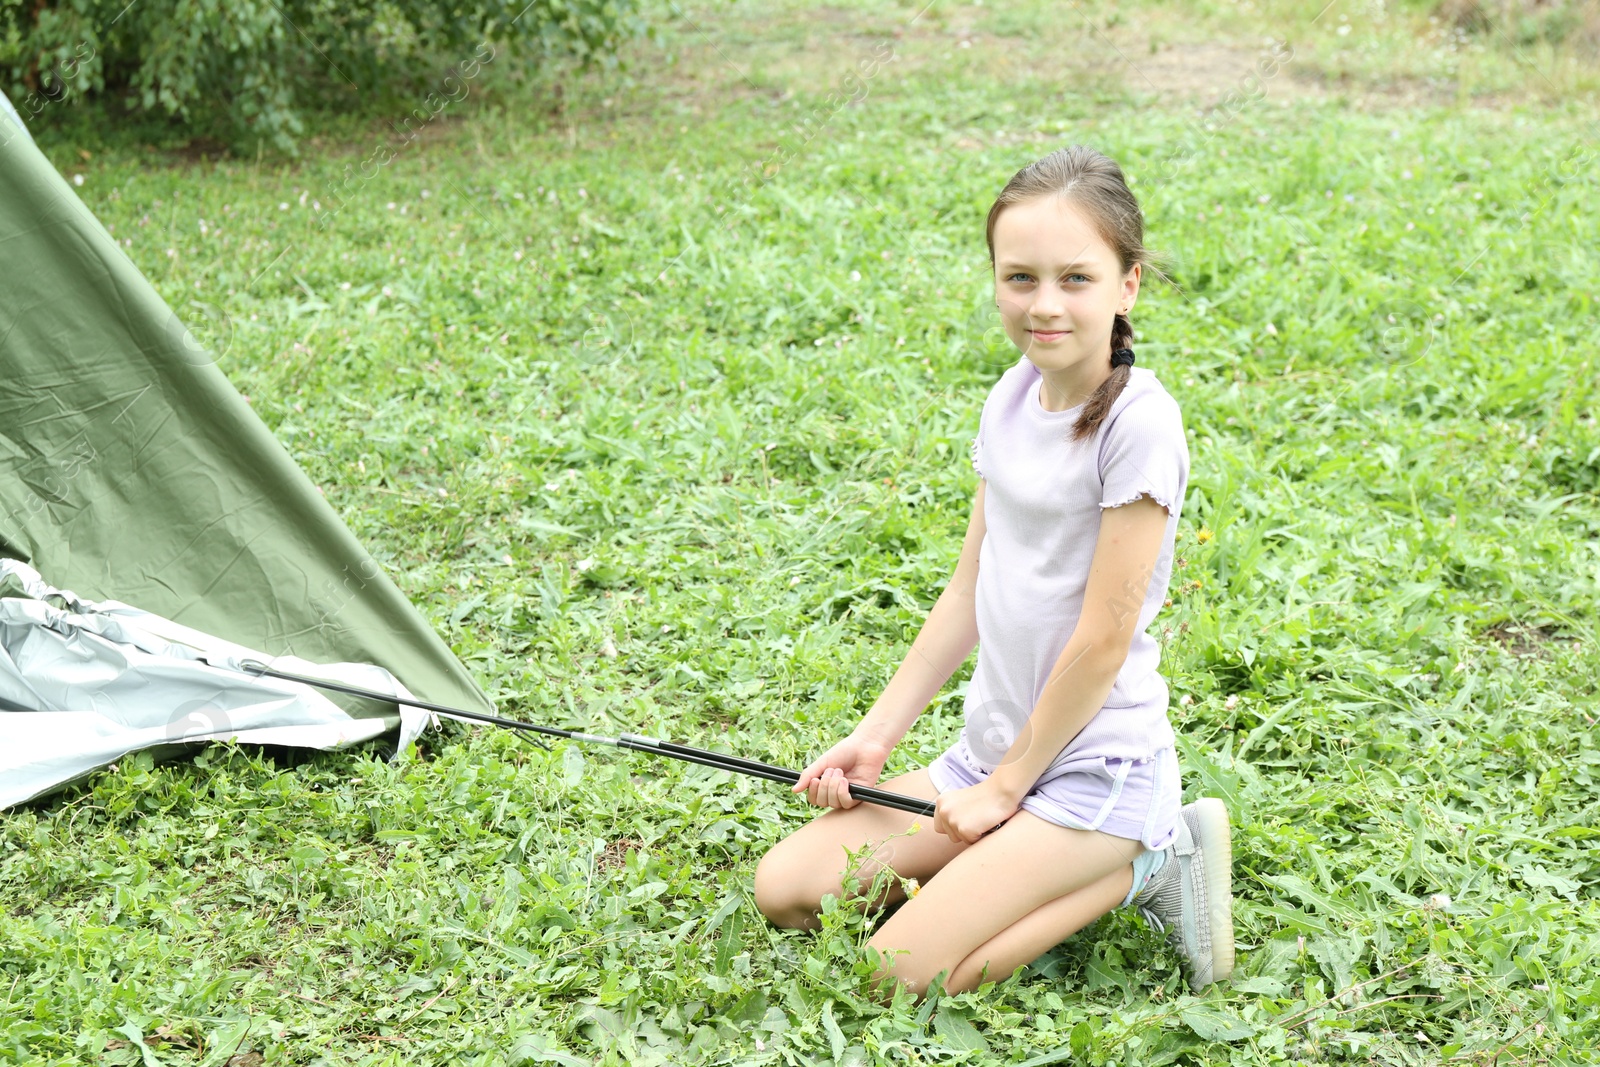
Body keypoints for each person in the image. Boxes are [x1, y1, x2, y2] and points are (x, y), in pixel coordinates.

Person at [753, 144, 1234, 1002]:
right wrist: (877, 735)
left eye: (1076, 279)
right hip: (988, 757)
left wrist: (1013, 787)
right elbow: (968, 586)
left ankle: (1152, 859)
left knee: (890, 974)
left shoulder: (1141, 426)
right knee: (787, 891)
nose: (1044, 305)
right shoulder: (1012, 395)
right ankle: (1004, 863)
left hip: (1091, 774)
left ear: (1128, 284)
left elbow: (1103, 636)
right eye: (1020, 278)